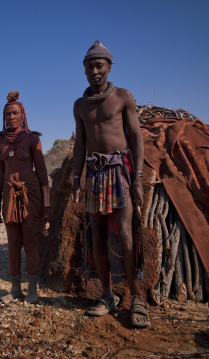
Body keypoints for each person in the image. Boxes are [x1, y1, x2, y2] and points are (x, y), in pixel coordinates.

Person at [71, 40, 149, 328]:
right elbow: (80, 144)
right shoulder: (80, 105)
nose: (94, 70)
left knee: (127, 236)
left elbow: (136, 138)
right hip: (94, 173)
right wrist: (77, 178)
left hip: (119, 170)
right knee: (98, 236)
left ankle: (137, 297)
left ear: (109, 67)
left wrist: (138, 179)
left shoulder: (122, 97)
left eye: (99, 65)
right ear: (85, 70)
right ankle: (107, 295)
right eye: (89, 66)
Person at [0, 90, 51, 303]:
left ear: (22, 115)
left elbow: (42, 170)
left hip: (31, 194)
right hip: (9, 194)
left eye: (15, 113)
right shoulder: (0, 142)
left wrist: (46, 202)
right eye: (7, 114)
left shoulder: (32, 138)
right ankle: (15, 289)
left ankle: (33, 290)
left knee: (30, 243)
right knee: (12, 244)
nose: (11, 117)